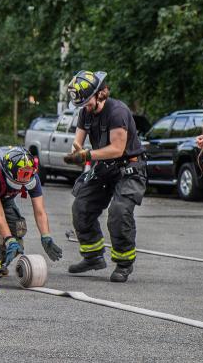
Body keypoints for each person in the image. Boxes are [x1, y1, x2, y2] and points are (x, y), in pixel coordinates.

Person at [63, 70, 147, 283]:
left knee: (118, 212)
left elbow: (117, 149)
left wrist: (87, 155)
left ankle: (124, 263)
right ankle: (92, 257)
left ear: (101, 93)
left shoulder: (117, 111)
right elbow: (79, 140)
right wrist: (77, 150)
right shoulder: (86, 111)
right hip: (104, 169)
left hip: (129, 169)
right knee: (81, 206)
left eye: (87, 102)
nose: (85, 108)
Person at [0, 146, 63, 287]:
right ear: (10, 171)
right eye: (23, 174)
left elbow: (40, 211)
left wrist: (46, 236)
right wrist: (8, 240)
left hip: (4, 197)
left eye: (29, 173)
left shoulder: (31, 178)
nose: (27, 178)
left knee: (16, 230)